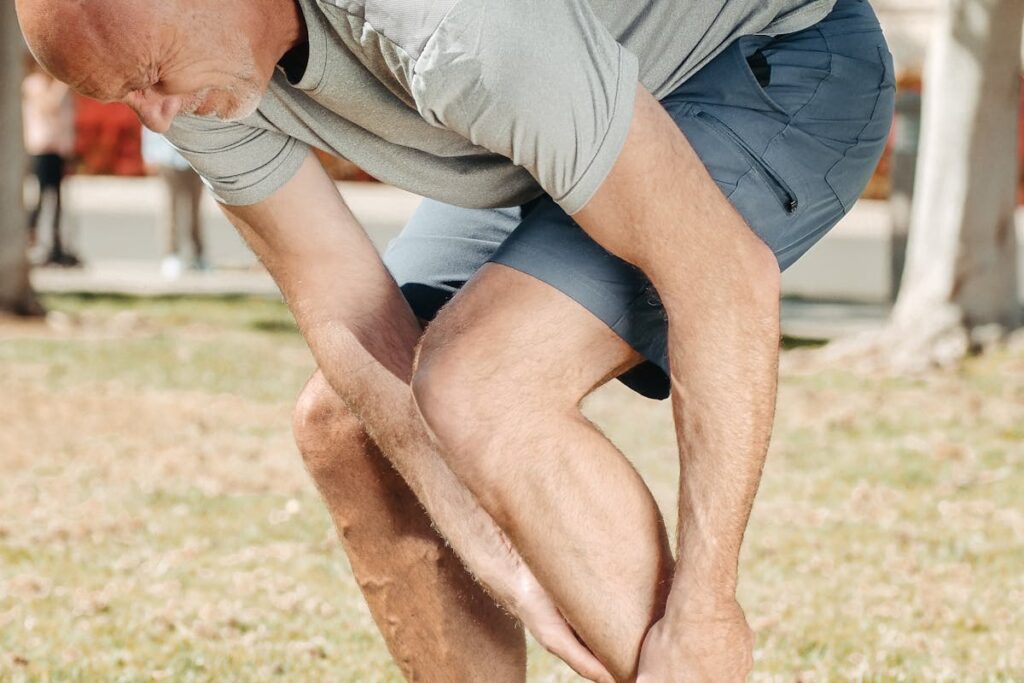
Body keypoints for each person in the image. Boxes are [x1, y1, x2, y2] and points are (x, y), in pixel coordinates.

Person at [16, 0, 894, 679]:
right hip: (560, 118)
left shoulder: (447, 24)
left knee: (481, 385)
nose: (159, 118)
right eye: (124, 93)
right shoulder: (193, 65)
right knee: (353, 427)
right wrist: (501, 560)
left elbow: (725, 277)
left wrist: (705, 610)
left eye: (153, 75)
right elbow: (342, 304)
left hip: (765, 65)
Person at [22, 54, 79, 267]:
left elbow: (66, 119)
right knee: (42, 195)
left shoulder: (56, 86)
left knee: (57, 198)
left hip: (58, 149)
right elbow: (49, 105)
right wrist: (62, 83)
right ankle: (30, 236)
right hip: (41, 149)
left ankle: (56, 243)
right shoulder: (33, 84)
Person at [141, 127, 209, 278]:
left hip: (195, 159)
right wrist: (149, 155)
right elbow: (149, 123)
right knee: (170, 210)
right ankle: (171, 254)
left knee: (195, 210)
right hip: (167, 158)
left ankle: (198, 254)